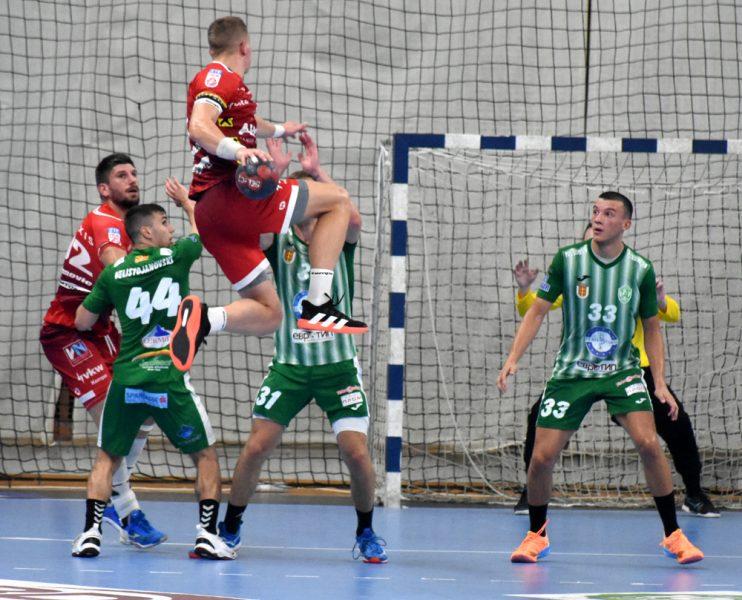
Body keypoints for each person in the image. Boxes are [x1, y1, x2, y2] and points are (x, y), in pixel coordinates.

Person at [183, 134, 385, 563]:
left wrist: (315, 172)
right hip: (289, 367)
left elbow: (350, 214)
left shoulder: (339, 239)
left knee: (355, 452)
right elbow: (251, 221)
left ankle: (366, 530)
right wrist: (271, 175)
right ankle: (231, 526)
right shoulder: (279, 242)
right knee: (256, 447)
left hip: (337, 368)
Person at [497, 192, 704, 565]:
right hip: (573, 371)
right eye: (595, 211)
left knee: (649, 443)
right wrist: (513, 358)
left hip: (622, 371)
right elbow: (537, 312)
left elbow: (653, 327)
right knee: (542, 458)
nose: (598, 218)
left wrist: (659, 382)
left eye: (609, 213)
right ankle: (536, 535)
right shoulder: (568, 259)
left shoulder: (640, 269)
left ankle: (674, 535)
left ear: (625, 224)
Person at [170, 15, 366, 373]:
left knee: (270, 315)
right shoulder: (219, 76)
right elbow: (199, 126)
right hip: (231, 196)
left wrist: (279, 129)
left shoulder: (229, 87)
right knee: (337, 200)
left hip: (213, 217)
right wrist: (239, 151)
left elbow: (244, 122)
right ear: (244, 46)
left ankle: (204, 319)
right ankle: (319, 303)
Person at [510, 226, 718, 518]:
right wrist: (524, 290)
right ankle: (530, 492)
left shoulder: (631, 274)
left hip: (629, 369)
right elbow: (534, 310)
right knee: (538, 418)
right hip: (581, 369)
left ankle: (694, 493)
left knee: (676, 423)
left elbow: (668, 314)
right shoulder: (574, 275)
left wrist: (661, 300)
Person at [71, 200, 233, 560]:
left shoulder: (112, 274)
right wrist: (188, 205)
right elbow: (200, 233)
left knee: (107, 458)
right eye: (164, 222)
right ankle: (207, 535)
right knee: (205, 456)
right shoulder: (177, 256)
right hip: (168, 380)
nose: (170, 228)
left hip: (127, 380)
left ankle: (90, 535)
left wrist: (107, 301)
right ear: (146, 231)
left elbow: (82, 320)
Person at [40, 153, 165, 548]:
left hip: (102, 327)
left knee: (146, 405)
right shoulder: (104, 221)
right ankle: (125, 508)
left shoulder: (131, 229)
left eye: (134, 174)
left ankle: (113, 491)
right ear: (104, 189)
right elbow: (118, 270)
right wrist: (169, 261)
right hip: (67, 331)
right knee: (114, 413)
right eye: (121, 175)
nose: (132, 180)